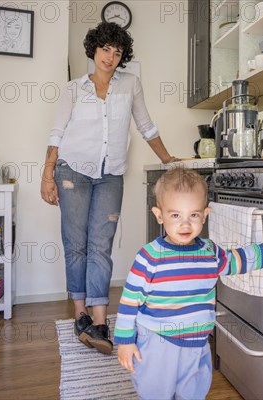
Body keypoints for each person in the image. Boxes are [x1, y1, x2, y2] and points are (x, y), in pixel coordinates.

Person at [40, 22, 178, 355]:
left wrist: (169, 159)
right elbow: (57, 134)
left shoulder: (130, 84)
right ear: (94, 49)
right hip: (71, 171)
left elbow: (146, 125)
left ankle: (100, 322)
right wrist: (47, 175)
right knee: (77, 245)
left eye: (117, 52)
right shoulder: (74, 89)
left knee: (101, 245)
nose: (110, 57)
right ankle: (80, 314)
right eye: (105, 49)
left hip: (110, 174)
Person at [115, 167, 263, 399]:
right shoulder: (149, 257)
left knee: (193, 390)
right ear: (159, 216)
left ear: (205, 214)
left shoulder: (210, 252)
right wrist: (125, 341)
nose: (185, 225)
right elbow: (129, 303)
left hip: (197, 340)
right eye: (175, 215)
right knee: (155, 390)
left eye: (194, 215)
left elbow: (234, 261)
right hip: (159, 341)